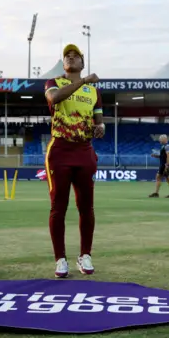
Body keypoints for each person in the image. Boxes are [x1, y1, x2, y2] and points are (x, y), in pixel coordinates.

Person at [44, 43, 104, 278]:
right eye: (66, 55)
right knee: (58, 207)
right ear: (64, 64)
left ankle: (85, 255)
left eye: (75, 55)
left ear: (82, 62)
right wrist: (84, 81)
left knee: (86, 207)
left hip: (84, 151)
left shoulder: (94, 92)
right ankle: (60, 259)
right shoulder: (53, 83)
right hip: (59, 150)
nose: (70, 57)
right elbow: (55, 98)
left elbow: (98, 119)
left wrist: (100, 127)